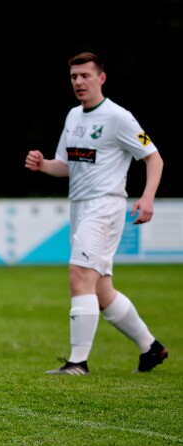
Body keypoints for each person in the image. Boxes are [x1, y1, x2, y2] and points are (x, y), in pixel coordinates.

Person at [24, 51, 168, 375]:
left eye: (85, 75)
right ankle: (151, 348)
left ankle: (78, 363)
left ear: (101, 78)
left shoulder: (119, 117)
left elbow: (154, 157)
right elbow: (66, 166)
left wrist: (147, 197)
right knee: (101, 289)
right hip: (80, 205)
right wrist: (43, 164)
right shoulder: (73, 117)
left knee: (78, 274)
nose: (78, 82)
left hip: (105, 205)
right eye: (74, 77)